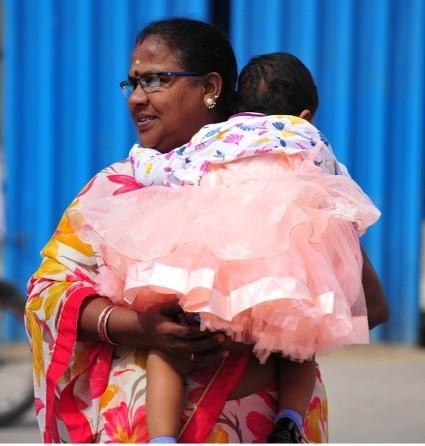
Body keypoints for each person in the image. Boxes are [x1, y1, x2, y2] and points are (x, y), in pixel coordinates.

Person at [24, 18, 388, 444]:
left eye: (156, 80)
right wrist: (139, 327)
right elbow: (46, 293)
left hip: (264, 424)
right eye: (132, 83)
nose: (137, 99)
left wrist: (255, 322)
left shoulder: (286, 185)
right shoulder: (115, 187)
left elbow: (367, 305)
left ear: (211, 87)